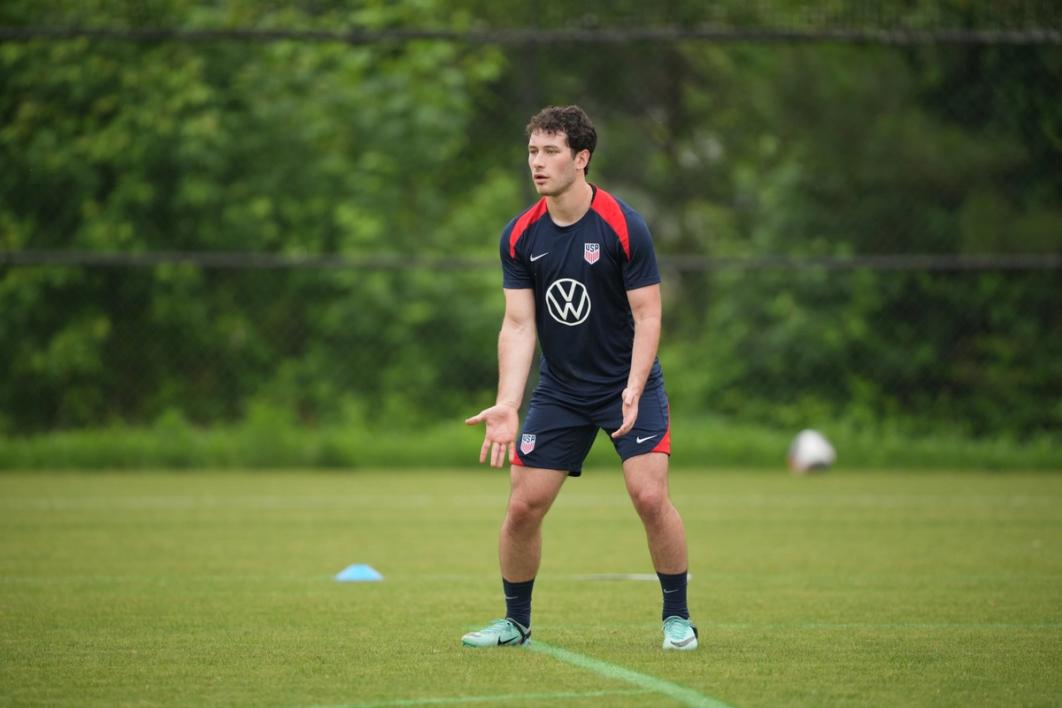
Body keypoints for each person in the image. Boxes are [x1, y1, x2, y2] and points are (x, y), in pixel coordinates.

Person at [462, 105, 698, 651]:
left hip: (628, 385)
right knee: (522, 507)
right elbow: (518, 325)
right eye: (532, 151)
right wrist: (507, 402)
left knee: (649, 497)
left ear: (581, 158)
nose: (537, 163)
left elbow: (648, 315)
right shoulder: (520, 236)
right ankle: (516, 624)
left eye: (551, 152)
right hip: (562, 391)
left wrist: (634, 385)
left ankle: (678, 618)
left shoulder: (623, 225)